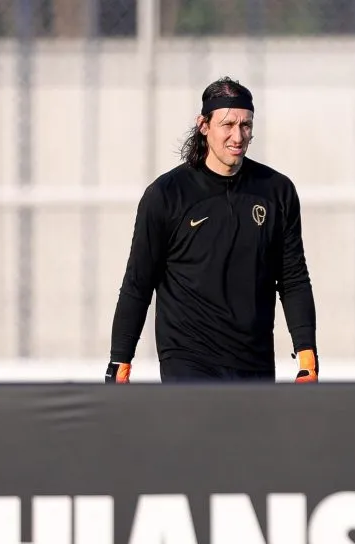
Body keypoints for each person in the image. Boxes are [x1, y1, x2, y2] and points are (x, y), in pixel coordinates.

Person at [104, 77, 319, 384]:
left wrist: (307, 356)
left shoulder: (276, 192)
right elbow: (138, 283)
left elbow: (293, 278)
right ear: (204, 125)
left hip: (254, 360)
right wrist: (120, 360)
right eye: (228, 124)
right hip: (188, 359)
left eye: (246, 125)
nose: (238, 135)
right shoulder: (166, 195)